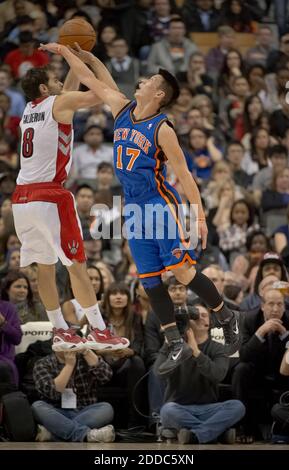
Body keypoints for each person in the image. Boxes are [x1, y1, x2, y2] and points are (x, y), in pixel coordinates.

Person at [40, 41, 235, 376]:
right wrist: (68, 53)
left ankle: (225, 315)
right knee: (148, 280)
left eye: (147, 82)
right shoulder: (121, 107)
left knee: (183, 272)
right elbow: (92, 79)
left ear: (158, 94)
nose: (141, 82)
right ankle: (174, 341)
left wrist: (199, 216)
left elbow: (186, 176)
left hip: (160, 205)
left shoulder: (162, 129)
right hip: (133, 209)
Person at [11, 64, 129, 352]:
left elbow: (66, 89)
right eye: (54, 80)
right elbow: (98, 95)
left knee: (45, 269)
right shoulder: (59, 102)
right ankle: (100, 330)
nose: (60, 83)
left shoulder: (29, 109)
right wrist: (86, 60)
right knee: (77, 265)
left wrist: (71, 60)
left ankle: (61, 330)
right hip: (50, 195)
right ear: (44, 88)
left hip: (22, 199)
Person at [155, 302, 245, 444]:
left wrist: (196, 353)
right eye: (195, 315)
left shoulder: (218, 348)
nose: (200, 318)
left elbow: (218, 375)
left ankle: (196, 435)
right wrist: (167, 344)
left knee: (237, 407)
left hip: (209, 409)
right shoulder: (175, 347)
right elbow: (159, 374)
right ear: (186, 321)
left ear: (209, 323)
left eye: (204, 316)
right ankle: (217, 434)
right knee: (166, 411)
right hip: (178, 407)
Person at [32, 349, 115, 442]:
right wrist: (69, 365)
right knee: (37, 406)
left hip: (85, 411)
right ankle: (86, 435)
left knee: (106, 408)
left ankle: (54, 434)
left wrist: (86, 351)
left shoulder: (86, 358)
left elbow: (106, 377)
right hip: (57, 412)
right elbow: (53, 393)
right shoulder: (43, 363)